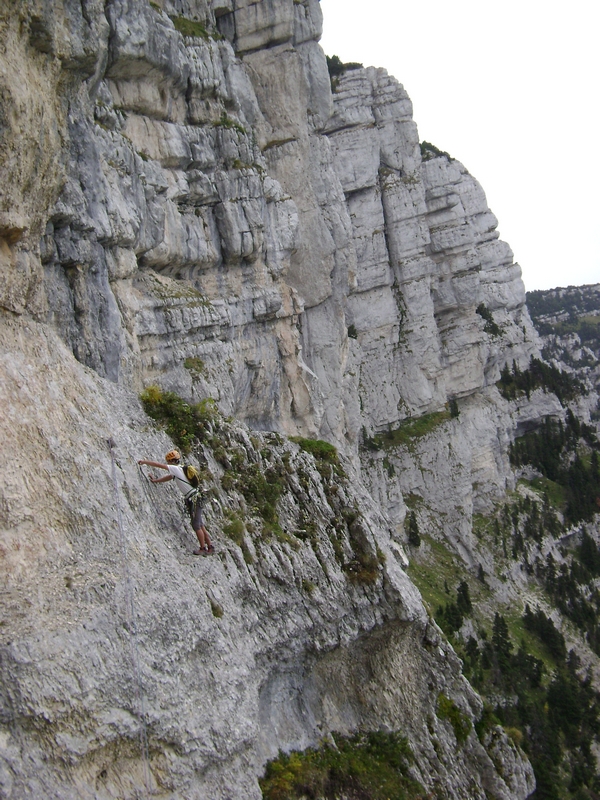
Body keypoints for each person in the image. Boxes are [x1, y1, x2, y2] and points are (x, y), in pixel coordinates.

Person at [138, 450, 214, 556]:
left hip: (194, 499)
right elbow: (169, 477)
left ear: (171, 461)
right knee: (200, 524)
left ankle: (203, 548)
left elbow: (159, 465)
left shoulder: (175, 469)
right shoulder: (181, 469)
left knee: (196, 525)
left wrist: (145, 462)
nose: (168, 463)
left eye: (168, 461)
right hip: (197, 498)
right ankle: (210, 547)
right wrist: (156, 480)